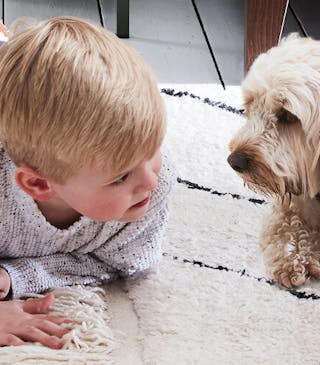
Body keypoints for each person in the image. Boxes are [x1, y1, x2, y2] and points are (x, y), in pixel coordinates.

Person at [0, 16, 174, 348]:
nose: (150, 180)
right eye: (121, 177)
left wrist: (17, 276)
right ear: (38, 184)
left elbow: (120, 261)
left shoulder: (157, 182)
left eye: (153, 150)